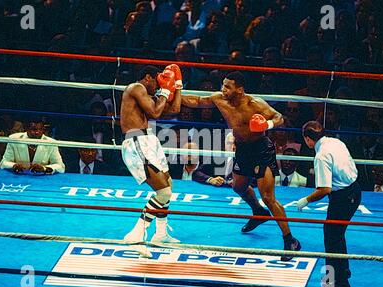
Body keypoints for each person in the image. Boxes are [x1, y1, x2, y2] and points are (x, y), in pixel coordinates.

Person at [181, 71, 301, 261]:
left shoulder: (255, 104)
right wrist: (173, 92)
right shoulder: (219, 100)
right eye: (223, 85)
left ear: (240, 89)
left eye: (227, 87)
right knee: (238, 186)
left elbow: (279, 117)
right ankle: (258, 212)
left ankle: (290, 240)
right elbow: (196, 101)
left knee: (269, 197)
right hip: (243, 150)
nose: (223, 89)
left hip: (262, 150)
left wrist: (266, 124)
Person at [295, 121, 361, 287]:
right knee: (336, 234)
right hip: (354, 190)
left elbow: (324, 189)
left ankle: (338, 281)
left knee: (333, 236)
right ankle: (338, 276)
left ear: (308, 139)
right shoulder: (336, 142)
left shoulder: (321, 155)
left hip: (343, 197)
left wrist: (306, 200)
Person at [120, 64, 182, 243]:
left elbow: (174, 109)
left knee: (168, 186)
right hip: (137, 141)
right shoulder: (136, 87)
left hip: (149, 140)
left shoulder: (147, 96)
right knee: (163, 193)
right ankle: (137, 232)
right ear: (147, 77)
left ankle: (161, 233)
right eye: (156, 81)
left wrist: (177, 85)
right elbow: (155, 112)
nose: (157, 85)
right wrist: (164, 90)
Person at [0, 118, 65, 174]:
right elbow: (3, 163)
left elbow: (61, 167)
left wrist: (44, 169)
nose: (37, 132)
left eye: (40, 129)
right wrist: (14, 166)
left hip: (41, 179)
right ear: (26, 128)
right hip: (18, 178)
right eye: (34, 129)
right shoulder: (14, 139)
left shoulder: (51, 142)